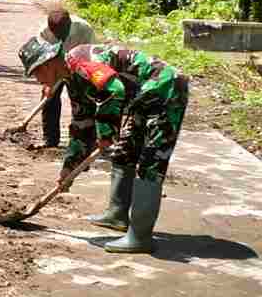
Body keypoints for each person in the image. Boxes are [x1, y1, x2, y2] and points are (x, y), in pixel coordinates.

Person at [18, 35, 189, 253]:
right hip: (142, 98)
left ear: (49, 61)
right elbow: (81, 124)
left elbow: (114, 90)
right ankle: (117, 215)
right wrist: (68, 167)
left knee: (151, 162)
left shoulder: (81, 61)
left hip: (166, 89)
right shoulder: (72, 80)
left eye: (37, 72)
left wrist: (106, 131)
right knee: (124, 152)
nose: (37, 79)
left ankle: (140, 237)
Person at [36, 7, 95, 149]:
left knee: (81, 101)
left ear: (69, 25)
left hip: (80, 66)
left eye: (62, 33)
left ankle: (80, 139)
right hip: (56, 67)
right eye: (56, 34)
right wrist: (48, 84)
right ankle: (50, 139)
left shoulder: (84, 29)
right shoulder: (44, 33)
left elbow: (91, 55)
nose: (59, 37)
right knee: (49, 99)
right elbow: (45, 62)